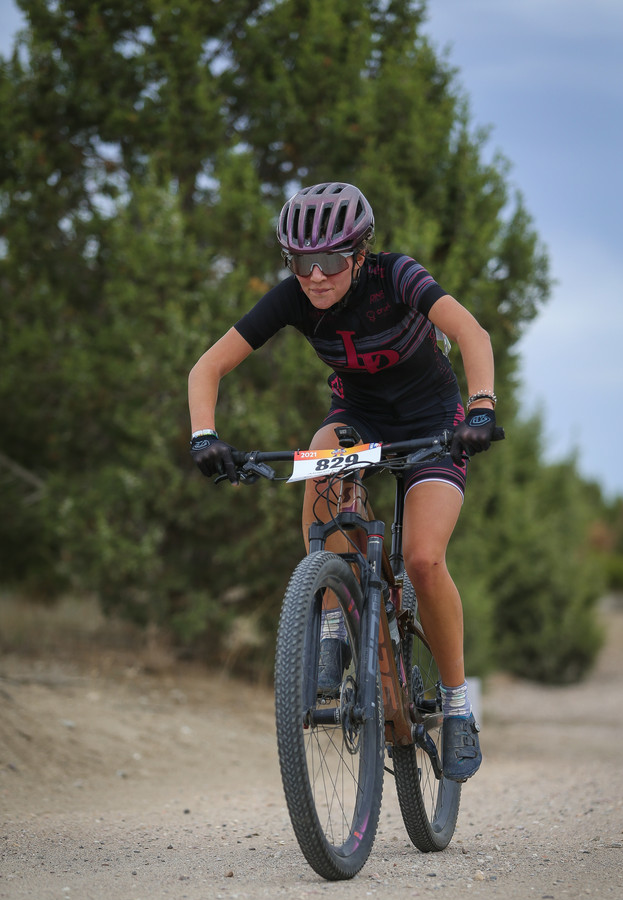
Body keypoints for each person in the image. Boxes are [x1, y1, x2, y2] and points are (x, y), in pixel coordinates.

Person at [188, 181, 497, 782]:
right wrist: (205, 436)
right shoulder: (294, 298)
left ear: (359, 255)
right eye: (300, 261)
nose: (315, 276)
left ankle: (458, 706)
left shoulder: (397, 276)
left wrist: (481, 408)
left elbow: (472, 334)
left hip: (433, 421)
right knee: (320, 454)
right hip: (359, 419)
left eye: (329, 260)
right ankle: (331, 618)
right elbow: (208, 367)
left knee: (423, 559)